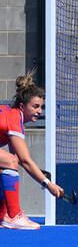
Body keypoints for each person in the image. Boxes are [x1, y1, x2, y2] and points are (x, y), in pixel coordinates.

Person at [0, 72, 65, 229]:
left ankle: (4, 215)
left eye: (41, 107)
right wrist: (48, 184)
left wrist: (38, 173)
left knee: (7, 164)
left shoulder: (12, 116)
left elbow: (17, 160)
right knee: (10, 162)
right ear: (22, 106)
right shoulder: (14, 119)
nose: (39, 111)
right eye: (35, 106)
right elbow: (24, 161)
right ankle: (14, 216)